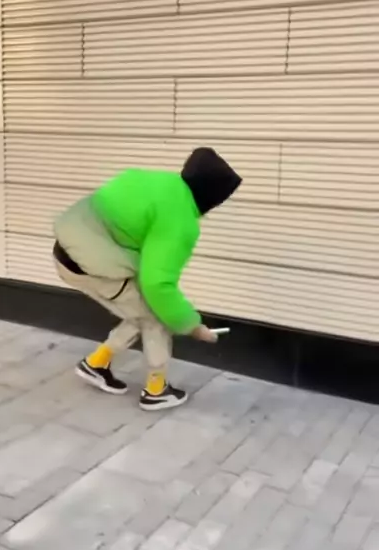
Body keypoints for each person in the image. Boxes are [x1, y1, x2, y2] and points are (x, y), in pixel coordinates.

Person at [53, 147, 242, 412]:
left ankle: (97, 363)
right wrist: (192, 325)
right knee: (156, 315)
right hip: (90, 263)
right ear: (212, 198)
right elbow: (158, 285)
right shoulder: (180, 220)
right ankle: (156, 390)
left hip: (70, 246)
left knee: (139, 309)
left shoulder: (160, 182)